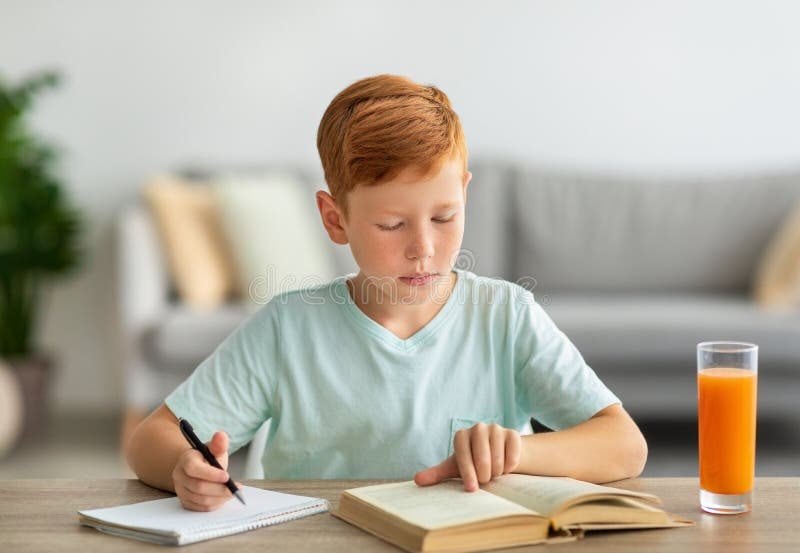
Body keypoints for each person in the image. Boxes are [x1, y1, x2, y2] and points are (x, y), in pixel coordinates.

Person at [125, 74, 647, 512]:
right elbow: (152, 439)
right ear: (336, 219)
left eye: (444, 217)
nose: (423, 248)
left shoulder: (506, 315)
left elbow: (624, 444)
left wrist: (516, 452)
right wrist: (184, 468)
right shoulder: (290, 327)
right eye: (393, 225)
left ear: (464, 192)